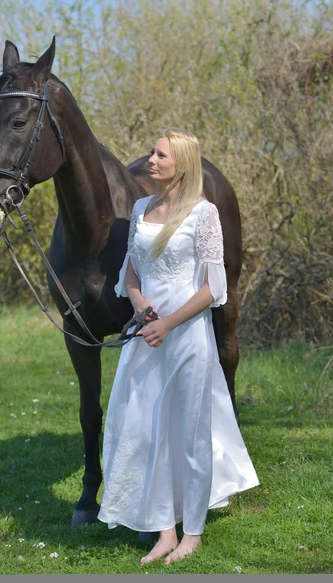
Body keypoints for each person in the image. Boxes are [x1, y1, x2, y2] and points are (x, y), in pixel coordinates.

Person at [97, 128, 259, 565]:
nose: (150, 160)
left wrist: (168, 322)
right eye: (153, 152)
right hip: (146, 336)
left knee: (189, 435)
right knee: (148, 431)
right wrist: (141, 305)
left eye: (160, 155)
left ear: (181, 164)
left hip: (186, 337)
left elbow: (213, 288)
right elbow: (130, 274)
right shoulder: (141, 208)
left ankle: (193, 532)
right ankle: (164, 531)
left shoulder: (204, 214)